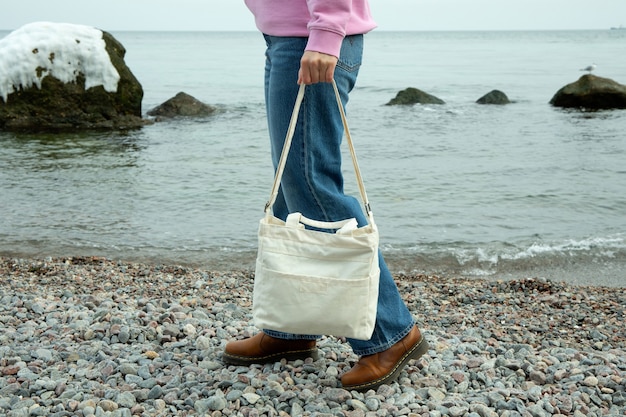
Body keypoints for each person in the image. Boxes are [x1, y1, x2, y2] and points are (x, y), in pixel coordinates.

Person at [223, 0, 428, 392]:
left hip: (311, 39)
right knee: (292, 183)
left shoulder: (318, 36)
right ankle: (292, 327)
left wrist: (327, 31)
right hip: (288, 36)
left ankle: (392, 332)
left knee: (313, 185)